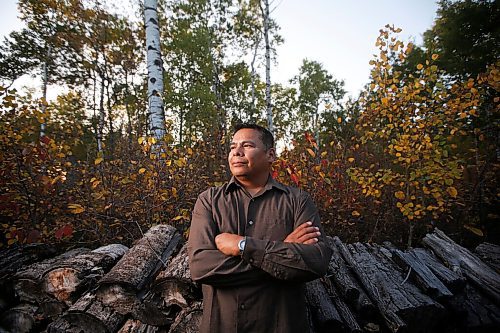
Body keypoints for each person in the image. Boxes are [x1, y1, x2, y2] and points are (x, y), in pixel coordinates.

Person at [187, 123, 332, 333]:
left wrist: (243, 246)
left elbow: (317, 260)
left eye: (247, 145)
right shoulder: (209, 200)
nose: (236, 152)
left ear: (270, 155)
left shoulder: (297, 200)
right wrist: (281, 252)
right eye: (232, 146)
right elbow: (201, 266)